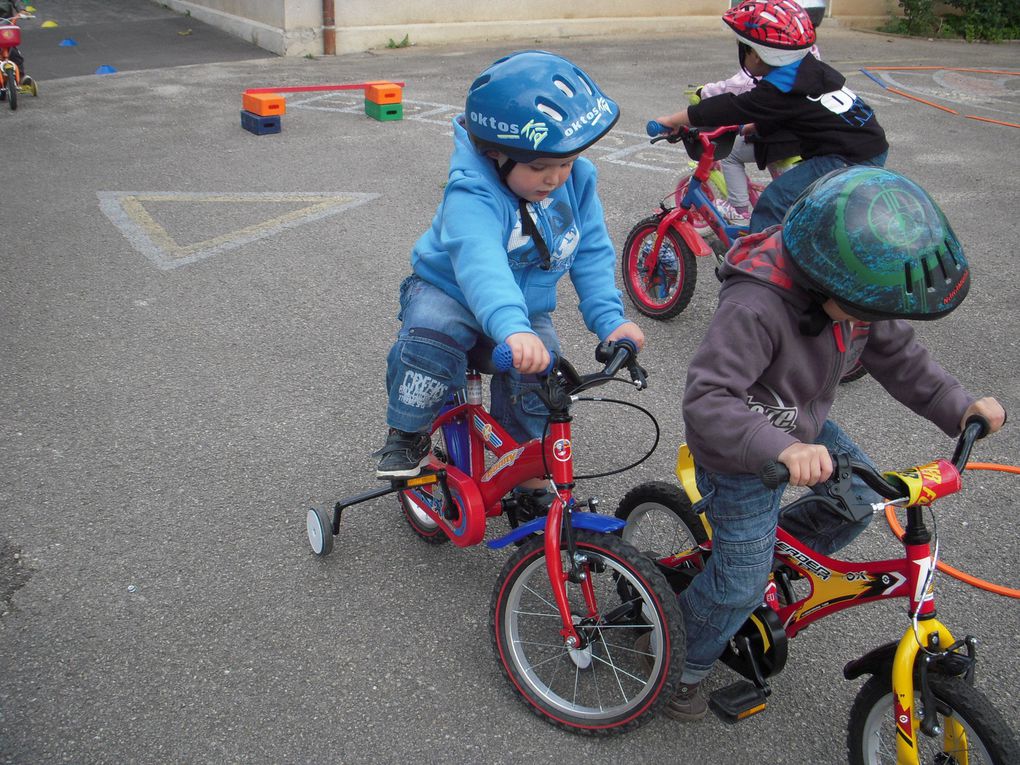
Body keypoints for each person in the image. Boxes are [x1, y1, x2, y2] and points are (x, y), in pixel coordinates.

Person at [667, 166, 1007, 721]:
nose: (875, 322)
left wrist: (959, 406)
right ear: (822, 282)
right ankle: (679, 663)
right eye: (868, 312)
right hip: (739, 447)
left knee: (861, 500)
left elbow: (900, 358)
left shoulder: (855, 294)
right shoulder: (755, 306)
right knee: (739, 584)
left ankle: (767, 548)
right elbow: (708, 403)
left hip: (801, 426)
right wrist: (779, 449)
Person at [374, 50, 644, 497]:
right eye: (538, 167)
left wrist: (610, 320)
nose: (555, 178)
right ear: (494, 153)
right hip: (451, 293)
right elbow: (481, 266)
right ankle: (408, 431)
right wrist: (513, 328)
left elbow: (591, 250)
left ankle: (522, 461)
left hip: (522, 311)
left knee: (544, 369)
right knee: (433, 336)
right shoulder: (472, 193)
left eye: (566, 162)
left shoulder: (576, 182)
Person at [654, 0, 888, 234]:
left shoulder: (778, 89)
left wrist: (675, 120)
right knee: (808, 205)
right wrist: (755, 127)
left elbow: (731, 107)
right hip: (868, 144)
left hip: (849, 157)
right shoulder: (805, 70)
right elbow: (795, 110)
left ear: (756, 54)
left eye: (743, 47)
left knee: (774, 201)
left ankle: (758, 267)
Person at [688, 0, 827, 225]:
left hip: (782, 136)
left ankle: (739, 208)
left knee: (731, 154)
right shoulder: (808, 54)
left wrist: (705, 93)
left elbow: (736, 88)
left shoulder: (772, 61)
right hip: (802, 134)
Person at [0, 0, 31, 92]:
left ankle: (21, 76)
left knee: (11, 49)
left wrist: (22, 11)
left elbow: (17, 1)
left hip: (5, 24)